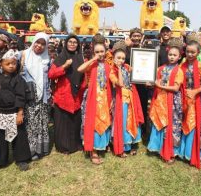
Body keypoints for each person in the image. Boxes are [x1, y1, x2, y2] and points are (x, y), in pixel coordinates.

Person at [0, 50, 31, 175]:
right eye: (8, 64)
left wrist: (20, 113)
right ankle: (0, 161)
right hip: (0, 112)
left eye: (13, 63)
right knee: (0, 138)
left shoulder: (19, 79)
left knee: (19, 137)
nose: (11, 66)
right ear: (1, 64)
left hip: (14, 112)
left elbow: (21, 97)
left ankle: (21, 159)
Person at [147, 39, 184, 164]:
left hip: (172, 102)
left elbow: (175, 88)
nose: (172, 57)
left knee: (170, 126)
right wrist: (150, 84)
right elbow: (155, 82)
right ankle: (157, 148)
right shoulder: (161, 68)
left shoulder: (179, 71)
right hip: (160, 100)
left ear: (179, 57)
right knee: (158, 121)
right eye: (170, 54)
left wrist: (159, 86)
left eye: (175, 55)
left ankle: (169, 151)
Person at [78, 34, 112, 164]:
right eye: (97, 51)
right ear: (93, 52)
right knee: (92, 123)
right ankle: (93, 150)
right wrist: (93, 59)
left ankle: (102, 145)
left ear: (105, 51)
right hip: (93, 97)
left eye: (101, 51)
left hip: (105, 98)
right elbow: (79, 69)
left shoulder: (109, 64)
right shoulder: (90, 63)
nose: (99, 54)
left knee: (105, 120)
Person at [48, 34, 85, 154]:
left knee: (75, 121)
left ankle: (76, 144)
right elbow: (51, 74)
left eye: (75, 42)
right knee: (63, 122)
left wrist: (83, 87)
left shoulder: (80, 58)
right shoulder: (60, 58)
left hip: (77, 95)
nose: (72, 44)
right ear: (66, 43)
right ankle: (63, 147)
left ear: (78, 45)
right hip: (63, 94)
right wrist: (64, 66)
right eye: (70, 42)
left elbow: (83, 76)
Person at [177, 40, 201, 168]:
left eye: (193, 52)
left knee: (193, 124)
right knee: (184, 123)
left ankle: (193, 152)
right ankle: (184, 151)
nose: (190, 54)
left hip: (197, 100)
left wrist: (195, 91)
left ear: (198, 52)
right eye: (188, 52)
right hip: (183, 98)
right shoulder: (182, 66)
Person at [110, 41, 144, 157]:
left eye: (123, 58)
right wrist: (119, 68)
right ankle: (123, 146)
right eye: (118, 58)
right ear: (113, 58)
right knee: (123, 122)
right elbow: (120, 83)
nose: (121, 60)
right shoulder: (112, 71)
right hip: (121, 99)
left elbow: (140, 73)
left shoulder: (127, 67)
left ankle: (132, 144)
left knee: (133, 120)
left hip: (131, 98)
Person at [20, 32, 51, 160]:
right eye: (38, 42)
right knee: (30, 124)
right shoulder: (23, 55)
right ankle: (29, 151)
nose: (39, 46)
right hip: (28, 96)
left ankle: (40, 150)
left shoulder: (47, 59)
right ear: (33, 42)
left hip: (42, 97)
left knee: (41, 123)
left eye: (43, 44)